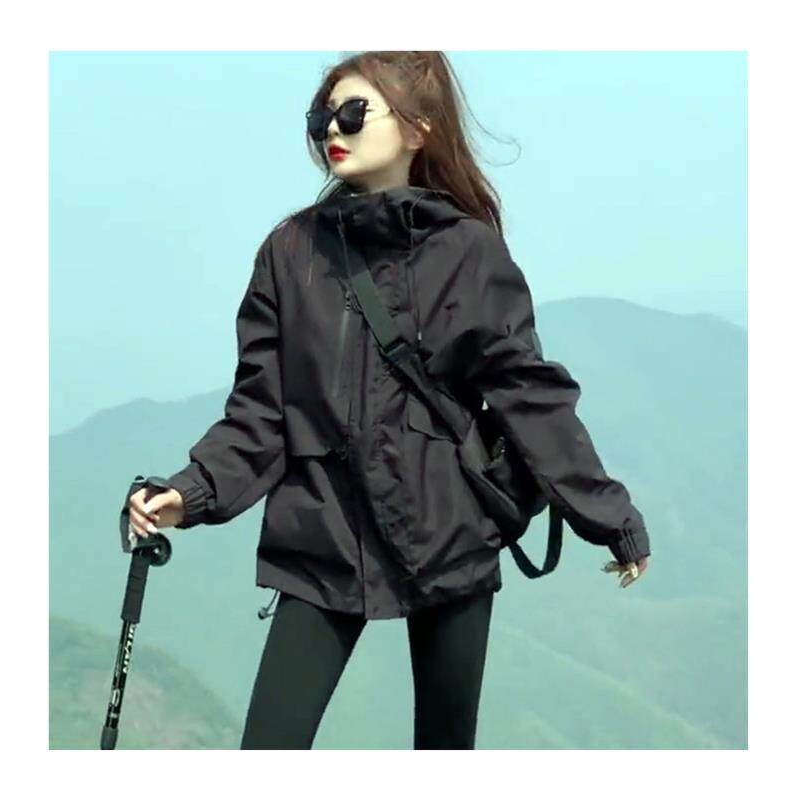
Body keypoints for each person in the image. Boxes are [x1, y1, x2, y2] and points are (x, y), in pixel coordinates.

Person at [125, 51, 651, 749]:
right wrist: (187, 493)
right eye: (321, 116)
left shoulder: (465, 251)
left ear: (417, 128)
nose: (331, 130)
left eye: (352, 113)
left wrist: (609, 516)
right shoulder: (291, 253)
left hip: (450, 533)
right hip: (322, 535)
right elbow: (260, 413)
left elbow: (528, 395)